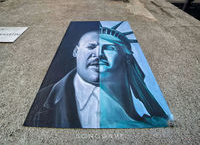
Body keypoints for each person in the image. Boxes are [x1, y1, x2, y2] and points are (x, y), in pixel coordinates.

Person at [24, 21, 169, 128]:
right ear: (76, 52)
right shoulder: (42, 99)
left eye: (110, 48)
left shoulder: (153, 123)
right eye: (91, 47)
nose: (99, 54)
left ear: (127, 59)